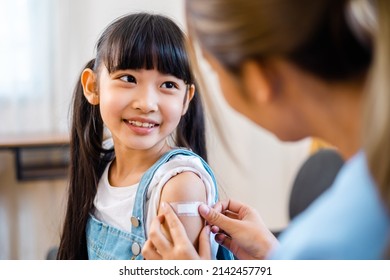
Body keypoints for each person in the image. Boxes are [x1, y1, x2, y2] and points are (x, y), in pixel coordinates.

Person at [142, 0, 390, 259]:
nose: (147, 104)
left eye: (214, 71)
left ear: (258, 78)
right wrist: (273, 254)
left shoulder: (328, 241)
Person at [57, 12, 232, 260]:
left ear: (186, 100)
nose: (147, 104)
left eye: (168, 85)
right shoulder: (100, 165)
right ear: (92, 87)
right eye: (128, 79)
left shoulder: (179, 186)